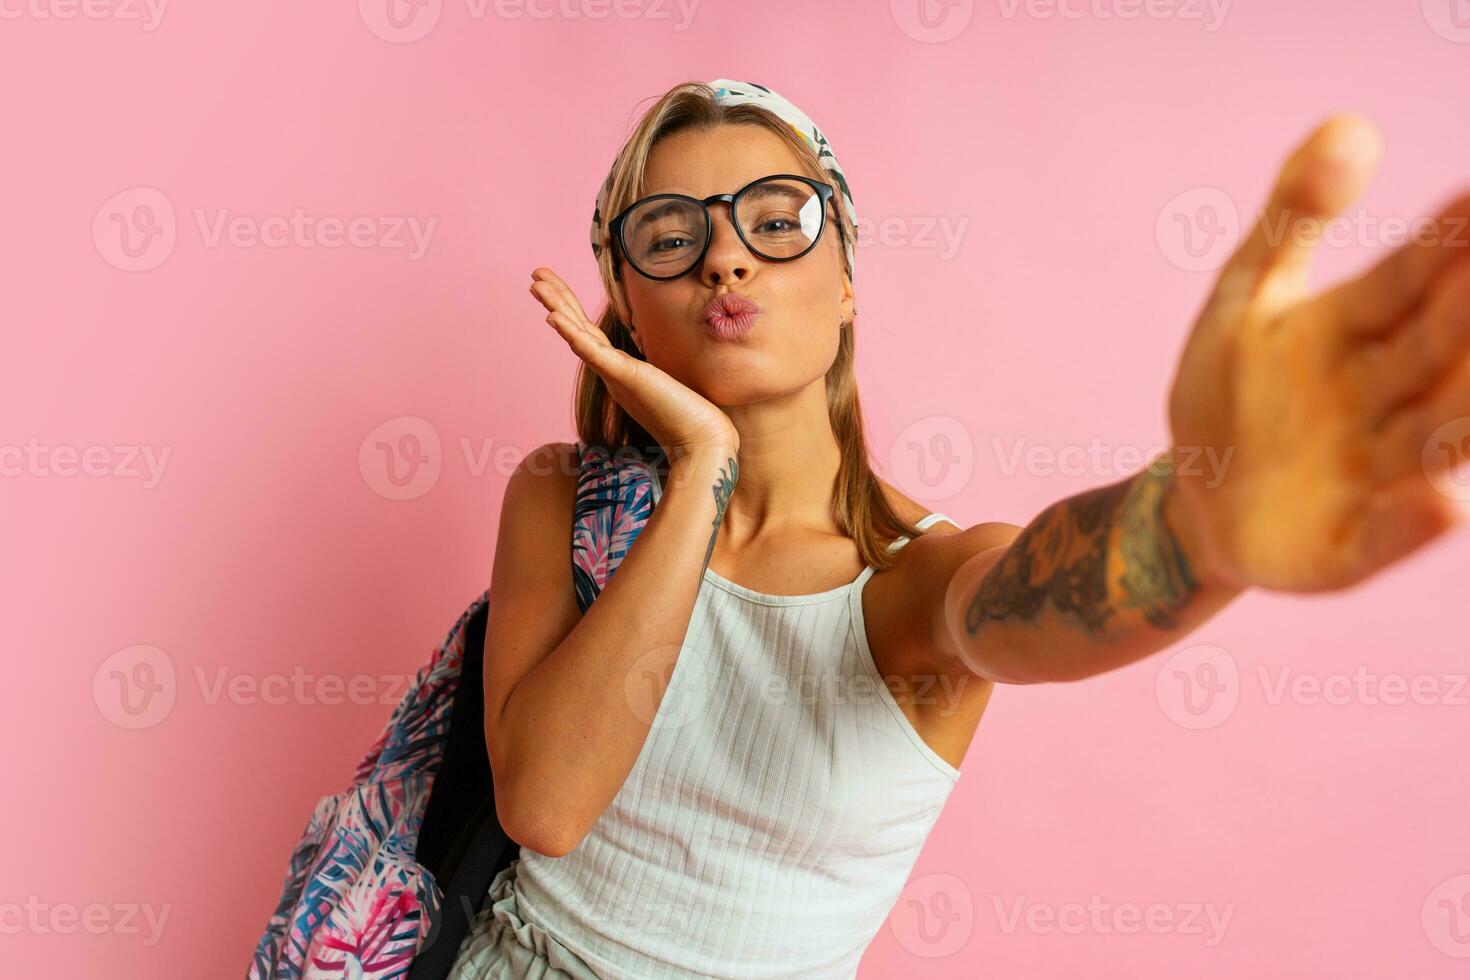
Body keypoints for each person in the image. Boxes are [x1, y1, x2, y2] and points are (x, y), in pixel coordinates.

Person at [445, 77, 1470, 979]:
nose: (725, 260)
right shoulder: (560, 498)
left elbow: (1028, 595)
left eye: (775, 220)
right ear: (624, 304)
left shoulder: (912, 579)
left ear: (846, 280)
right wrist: (705, 469)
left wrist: (1192, 532)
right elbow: (546, 802)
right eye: (670, 237)